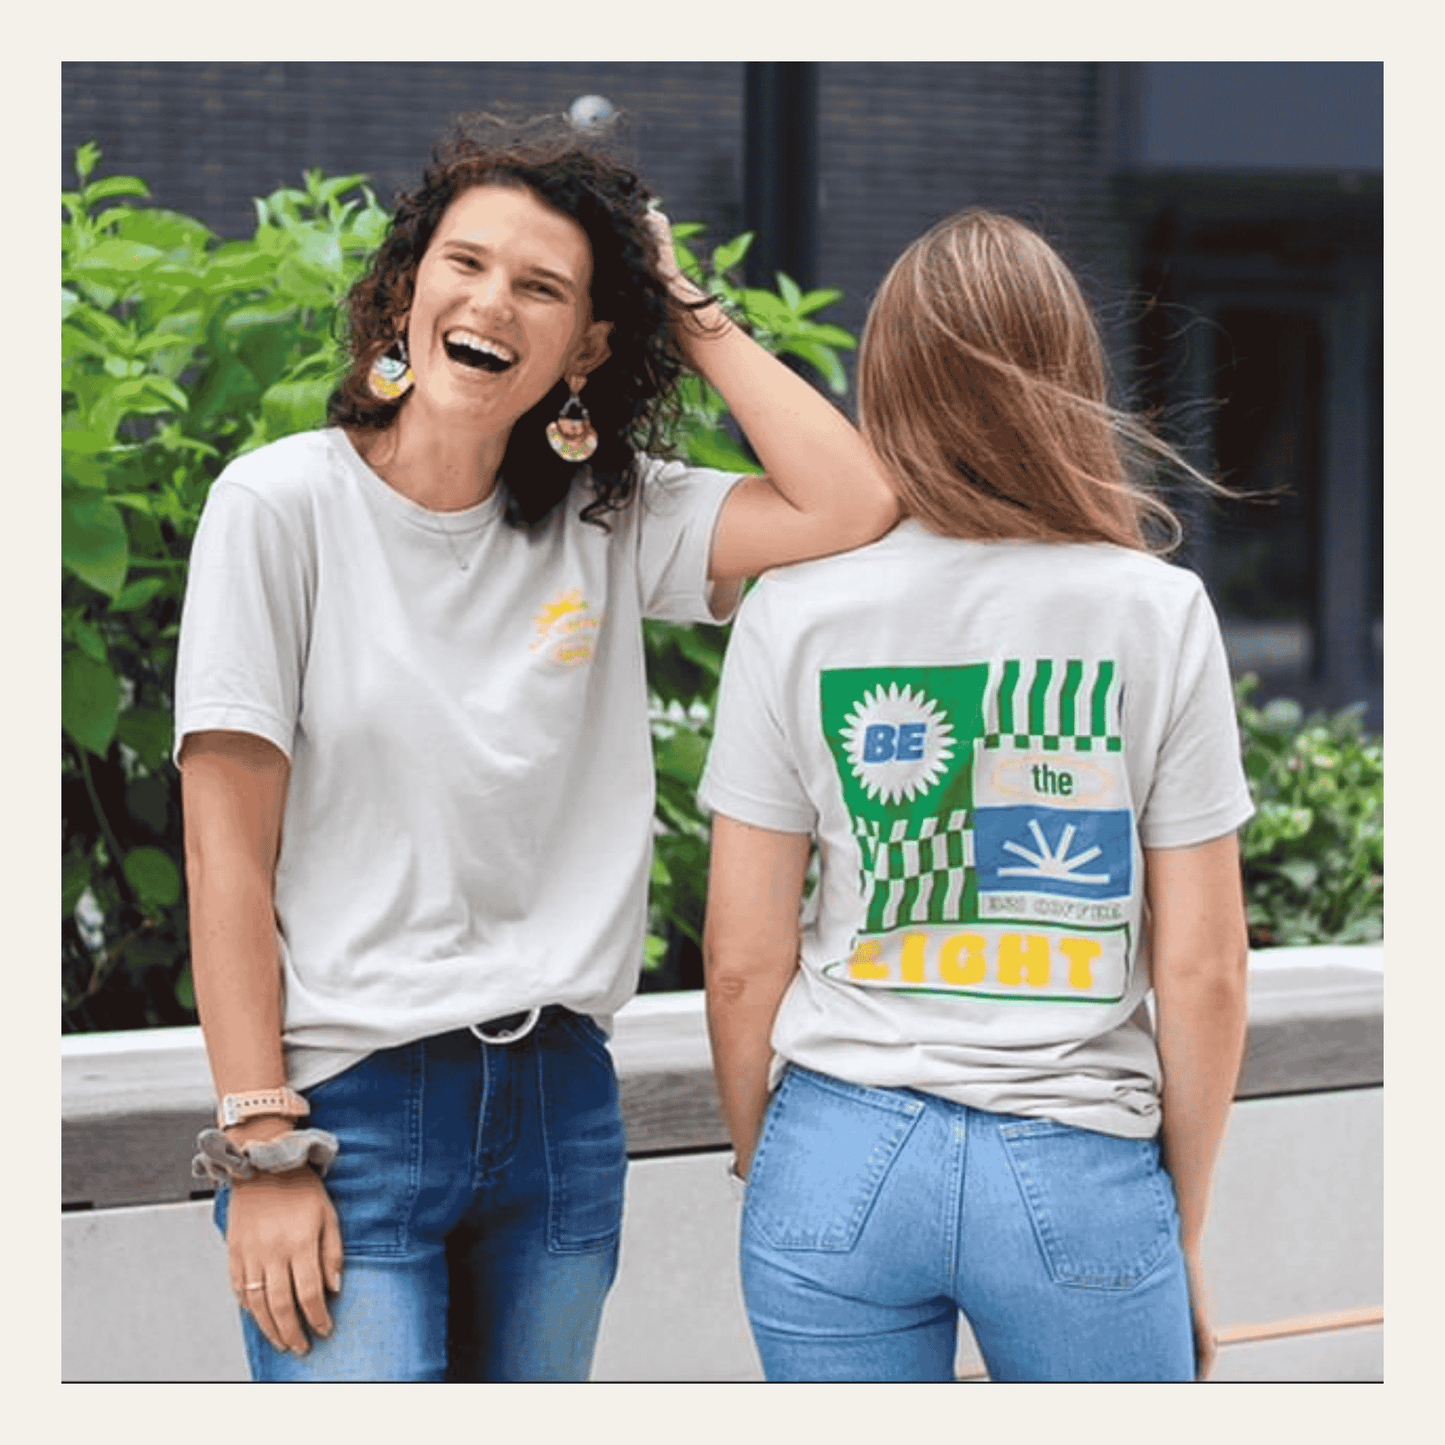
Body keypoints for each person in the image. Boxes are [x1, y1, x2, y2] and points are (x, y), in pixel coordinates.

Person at [175, 112, 896, 1383]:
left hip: (561, 1106)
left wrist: (681, 300)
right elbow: (225, 848)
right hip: (346, 1112)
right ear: (405, 293)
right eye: (462, 264)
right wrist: (261, 1141)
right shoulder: (277, 506)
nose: (489, 302)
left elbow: (849, 499)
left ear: (586, 345)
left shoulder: (610, 516)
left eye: (541, 287)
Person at [699, 209, 1254, 1383]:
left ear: (882, 383)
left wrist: (773, 1160)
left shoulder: (792, 607)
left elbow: (742, 958)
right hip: (1077, 1166)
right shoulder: (1154, 612)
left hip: (835, 1148)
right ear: (1066, 377)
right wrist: (1180, 1233)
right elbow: (1203, 970)